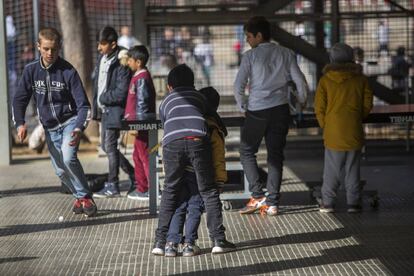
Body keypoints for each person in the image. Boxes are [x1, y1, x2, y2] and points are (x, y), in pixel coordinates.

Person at [12, 27, 97, 217]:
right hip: (49, 128)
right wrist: (20, 123)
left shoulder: (68, 71)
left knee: (68, 158)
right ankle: (79, 196)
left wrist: (78, 128)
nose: (50, 53)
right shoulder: (31, 71)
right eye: (46, 49)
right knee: (60, 171)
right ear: (38, 47)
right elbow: (19, 99)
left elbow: (84, 105)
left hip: (69, 122)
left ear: (60, 48)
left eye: (54, 49)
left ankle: (85, 196)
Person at [152, 64, 235, 256]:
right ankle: (218, 240)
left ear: (170, 86)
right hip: (198, 139)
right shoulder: (199, 97)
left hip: (172, 143)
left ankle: (160, 242)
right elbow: (209, 115)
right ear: (193, 84)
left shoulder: (165, 102)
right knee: (208, 190)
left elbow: (166, 124)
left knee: (171, 190)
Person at [234, 16, 308, 216]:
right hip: (280, 111)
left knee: (247, 152)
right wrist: (302, 100)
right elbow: (300, 81)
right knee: (275, 157)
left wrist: (243, 107)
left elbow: (238, 85)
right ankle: (273, 203)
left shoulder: (250, 56)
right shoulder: (286, 53)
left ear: (259, 35)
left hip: (257, 111)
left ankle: (257, 196)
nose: (248, 40)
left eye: (249, 36)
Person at [164, 86, 228, 257]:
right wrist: (220, 180)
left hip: (180, 171)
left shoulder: (188, 120)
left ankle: (171, 244)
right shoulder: (213, 127)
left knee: (179, 205)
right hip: (200, 174)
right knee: (195, 206)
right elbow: (218, 156)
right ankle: (189, 244)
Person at [314, 42, 373, 214]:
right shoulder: (361, 80)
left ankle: (328, 203)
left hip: (333, 131)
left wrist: (326, 125)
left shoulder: (325, 80)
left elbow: (319, 107)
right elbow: (368, 102)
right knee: (353, 168)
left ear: (332, 59)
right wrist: (357, 117)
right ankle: (353, 203)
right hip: (353, 128)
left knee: (332, 170)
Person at [92, 26, 135, 198]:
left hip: (114, 111)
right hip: (103, 111)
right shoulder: (102, 58)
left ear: (113, 44)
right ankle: (133, 175)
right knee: (106, 146)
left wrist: (103, 98)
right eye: (98, 44)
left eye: (102, 44)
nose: (99, 48)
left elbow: (121, 91)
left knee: (109, 146)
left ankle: (113, 184)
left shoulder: (121, 61)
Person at [123, 45, 156, 200]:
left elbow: (142, 102)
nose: (128, 62)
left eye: (130, 60)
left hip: (141, 125)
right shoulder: (137, 75)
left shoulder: (142, 78)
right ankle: (142, 188)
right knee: (137, 155)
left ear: (139, 62)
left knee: (144, 156)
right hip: (136, 124)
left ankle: (152, 189)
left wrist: (138, 124)